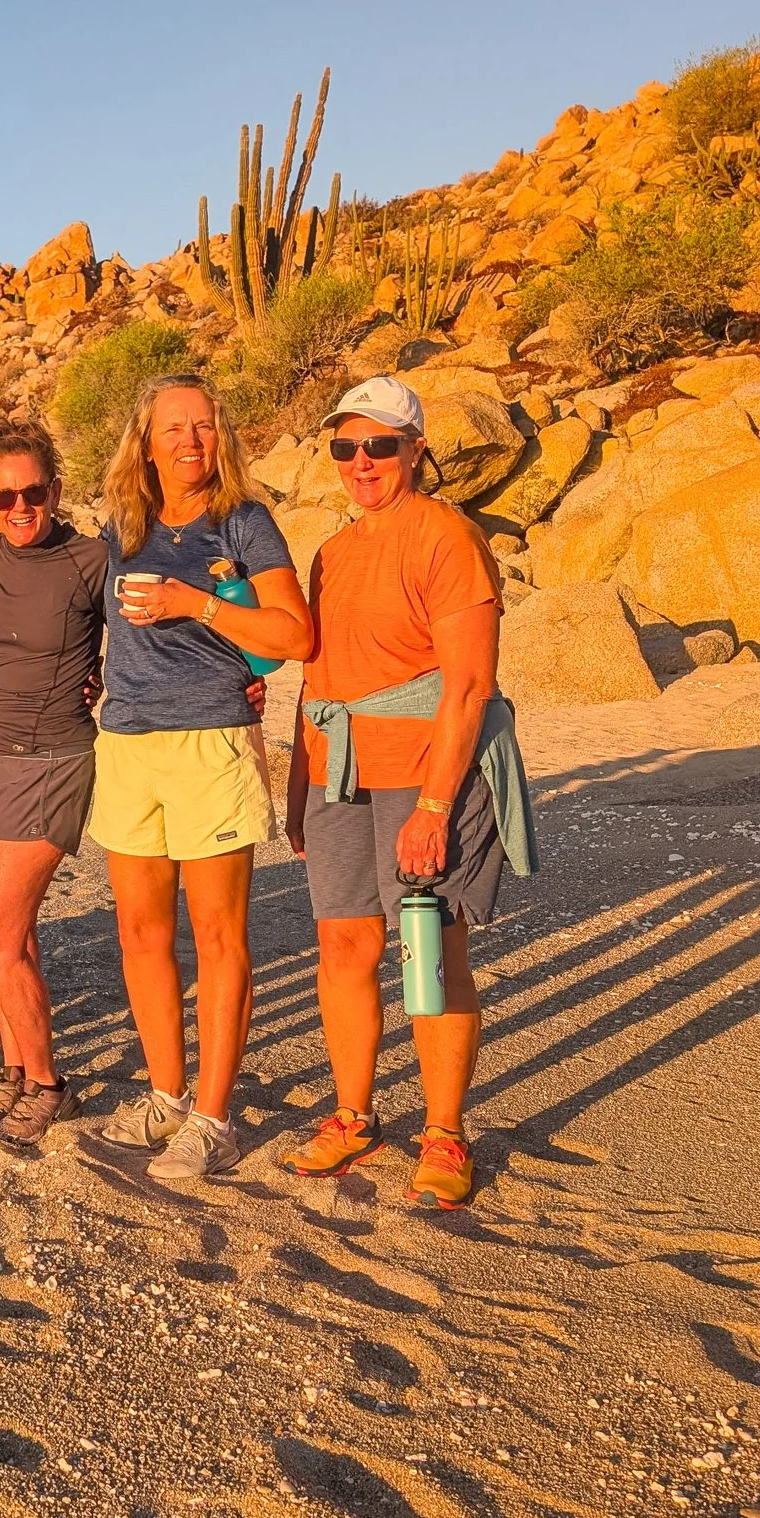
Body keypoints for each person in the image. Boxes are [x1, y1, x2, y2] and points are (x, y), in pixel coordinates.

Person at [281, 378, 534, 1210]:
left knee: (431, 949)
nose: (361, 463)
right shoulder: (333, 549)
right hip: (338, 776)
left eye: (379, 446)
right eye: (345, 448)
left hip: (425, 773)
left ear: (416, 449)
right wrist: (298, 785)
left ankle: (445, 1130)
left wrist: (433, 808)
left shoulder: (446, 537)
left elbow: (467, 687)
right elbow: (316, 679)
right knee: (344, 948)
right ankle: (354, 1115)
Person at [86, 374, 311, 1181]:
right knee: (141, 933)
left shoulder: (243, 521)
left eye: (205, 426)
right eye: (175, 429)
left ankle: (214, 1116)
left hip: (211, 738)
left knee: (219, 938)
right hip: (128, 743)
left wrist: (197, 603)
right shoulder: (121, 526)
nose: (191, 441)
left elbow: (293, 633)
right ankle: (167, 1095)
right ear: (144, 442)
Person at [0, 420, 111, 1152]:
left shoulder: (90, 561)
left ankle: (49, 1082)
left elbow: (149, 638)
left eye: (34, 492)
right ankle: (15, 1062)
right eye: (4, 496)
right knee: (13, 934)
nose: (21, 507)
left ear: (56, 489)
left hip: (51, 760)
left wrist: (241, 683)